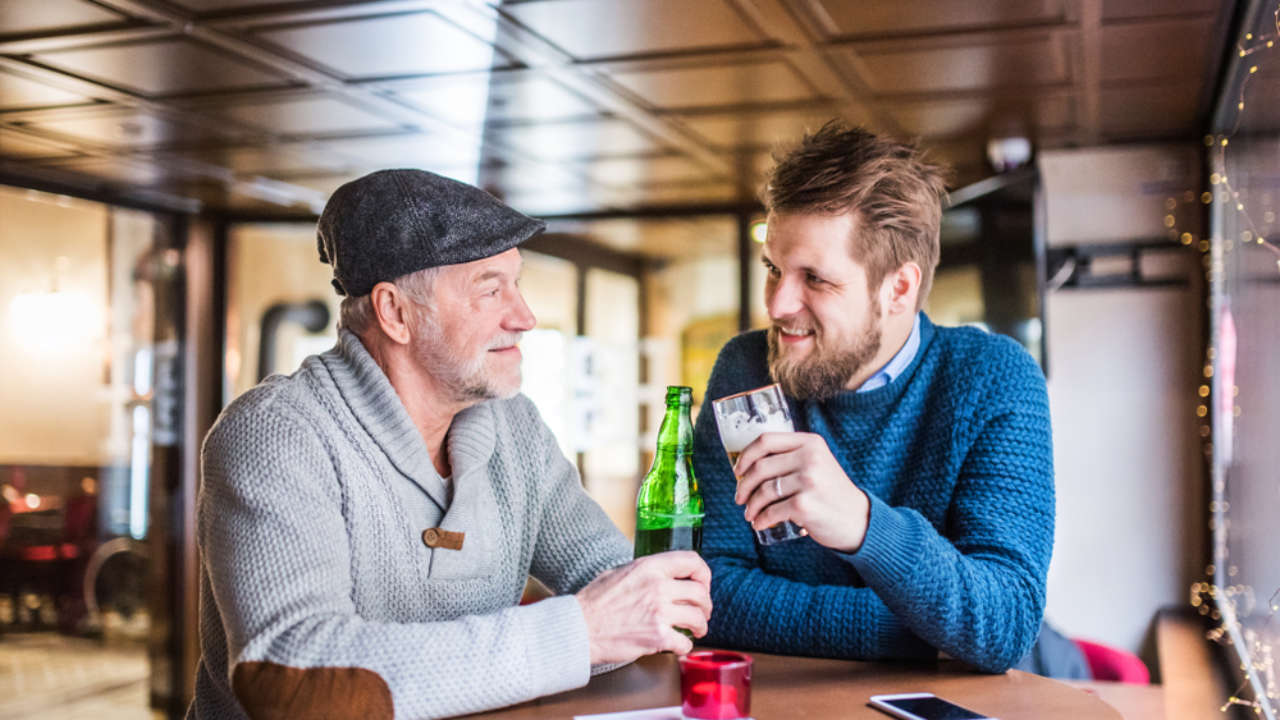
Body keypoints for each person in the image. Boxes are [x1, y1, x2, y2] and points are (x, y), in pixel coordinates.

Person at [188, 169, 712, 720]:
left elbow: (635, 601)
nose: (525, 317)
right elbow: (295, 680)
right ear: (396, 313)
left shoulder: (516, 427)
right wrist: (578, 633)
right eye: (490, 289)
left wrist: (610, 622)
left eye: (517, 283)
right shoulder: (277, 434)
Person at [693, 122, 1055, 673]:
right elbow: (707, 593)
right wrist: (927, 636)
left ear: (898, 289)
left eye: (815, 278)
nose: (777, 305)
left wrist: (863, 525)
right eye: (773, 269)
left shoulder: (993, 378)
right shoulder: (745, 370)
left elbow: (1005, 622)